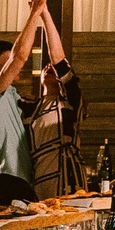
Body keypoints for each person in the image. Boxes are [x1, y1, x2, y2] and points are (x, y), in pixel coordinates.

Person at [0, 0, 50, 194]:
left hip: (20, 180)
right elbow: (20, 56)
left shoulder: (10, 94)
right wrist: (35, 14)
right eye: (7, 64)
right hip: (5, 180)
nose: (15, 68)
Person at [30, 20, 87, 198]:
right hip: (40, 178)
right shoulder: (30, 108)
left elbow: (60, 62)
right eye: (45, 68)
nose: (49, 67)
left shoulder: (71, 103)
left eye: (53, 68)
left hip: (70, 179)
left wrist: (44, 14)